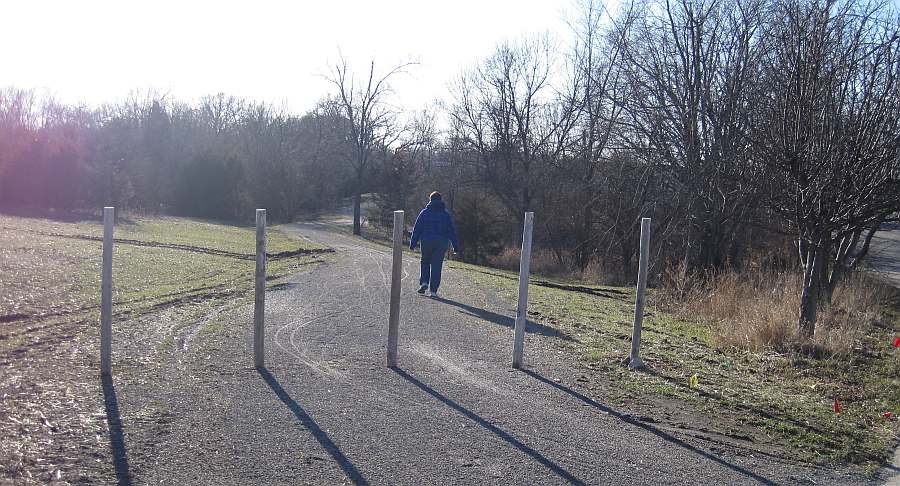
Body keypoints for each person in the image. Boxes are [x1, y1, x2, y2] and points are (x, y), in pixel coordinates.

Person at [409, 191, 460, 298]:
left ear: (430, 200)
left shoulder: (424, 212)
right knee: (437, 266)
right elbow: (452, 231)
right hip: (441, 243)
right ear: (440, 200)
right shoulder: (445, 215)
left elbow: (417, 229)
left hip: (427, 241)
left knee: (425, 261)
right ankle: (433, 291)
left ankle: (424, 282)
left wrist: (413, 243)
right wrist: (456, 246)